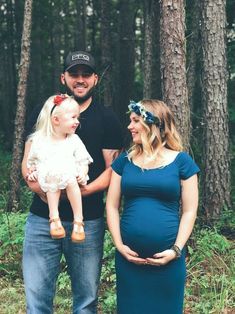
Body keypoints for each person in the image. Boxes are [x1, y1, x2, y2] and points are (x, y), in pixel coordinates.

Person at [22, 50, 123, 314]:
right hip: (42, 219)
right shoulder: (44, 112)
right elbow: (28, 163)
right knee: (37, 300)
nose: (80, 79)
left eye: (86, 74)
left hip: (87, 222)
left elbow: (114, 171)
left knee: (86, 300)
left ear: (95, 79)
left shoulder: (107, 119)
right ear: (63, 77)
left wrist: (83, 190)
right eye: (74, 74)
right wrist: (45, 190)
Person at [106, 99, 200, 314]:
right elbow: (111, 206)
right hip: (129, 261)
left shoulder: (182, 162)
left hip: (168, 262)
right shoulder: (124, 161)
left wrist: (176, 250)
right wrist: (119, 246)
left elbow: (189, 210)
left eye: (135, 121)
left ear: (153, 124)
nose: (130, 126)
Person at [26, 94, 93, 242]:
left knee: (70, 181)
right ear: (56, 120)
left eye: (78, 118)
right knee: (52, 184)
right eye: (73, 118)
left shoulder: (73, 140)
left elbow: (83, 160)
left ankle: (78, 221)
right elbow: (33, 162)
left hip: (70, 177)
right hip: (50, 179)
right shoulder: (39, 141)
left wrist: (82, 172)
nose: (77, 122)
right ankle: (54, 219)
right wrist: (32, 173)